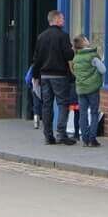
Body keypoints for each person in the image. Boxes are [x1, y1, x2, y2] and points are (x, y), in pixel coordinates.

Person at [31, 9, 75, 146]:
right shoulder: (63, 36)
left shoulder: (41, 36)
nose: (64, 21)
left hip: (44, 76)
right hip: (59, 75)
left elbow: (37, 59)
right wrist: (72, 50)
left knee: (47, 105)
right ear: (55, 20)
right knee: (63, 104)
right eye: (62, 19)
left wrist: (35, 75)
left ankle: (48, 136)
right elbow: (69, 56)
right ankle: (61, 134)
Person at [72, 35, 105, 148]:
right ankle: (92, 139)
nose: (88, 40)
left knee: (82, 113)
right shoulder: (93, 56)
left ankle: (85, 140)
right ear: (84, 43)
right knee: (94, 113)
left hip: (81, 89)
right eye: (86, 39)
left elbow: (75, 72)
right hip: (93, 88)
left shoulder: (76, 58)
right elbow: (103, 70)